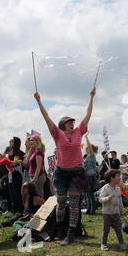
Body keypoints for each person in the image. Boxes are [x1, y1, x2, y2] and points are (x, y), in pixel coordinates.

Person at [34, 87, 96, 245]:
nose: (73, 124)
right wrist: (39, 100)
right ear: (62, 125)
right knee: (61, 203)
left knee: (74, 204)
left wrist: (91, 96)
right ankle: (59, 230)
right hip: (60, 173)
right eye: (69, 122)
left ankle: (70, 234)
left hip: (76, 172)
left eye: (73, 122)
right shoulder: (57, 133)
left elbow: (88, 115)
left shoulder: (78, 132)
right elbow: (46, 117)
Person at [99, 169, 127, 251]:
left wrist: (122, 210)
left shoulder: (118, 189)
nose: (120, 178)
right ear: (111, 178)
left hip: (116, 213)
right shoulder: (105, 188)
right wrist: (107, 198)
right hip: (107, 213)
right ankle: (103, 244)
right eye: (118, 176)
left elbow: (120, 200)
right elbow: (100, 199)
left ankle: (121, 243)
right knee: (106, 229)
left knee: (118, 229)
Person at [8, 136, 25, 214]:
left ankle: (20, 210)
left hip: (17, 174)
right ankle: (15, 210)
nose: (10, 143)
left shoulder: (19, 152)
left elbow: (15, 163)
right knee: (13, 194)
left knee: (18, 193)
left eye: (12, 141)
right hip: (12, 174)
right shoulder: (11, 152)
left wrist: (11, 164)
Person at [84, 135, 98, 215]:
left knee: (90, 194)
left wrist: (86, 138)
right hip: (86, 176)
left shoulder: (92, 156)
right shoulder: (87, 156)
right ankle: (88, 209)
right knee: (87, 194)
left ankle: (92, 210)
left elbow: (89, 145)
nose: (86, 148)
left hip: (90, 176)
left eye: (87, 147)